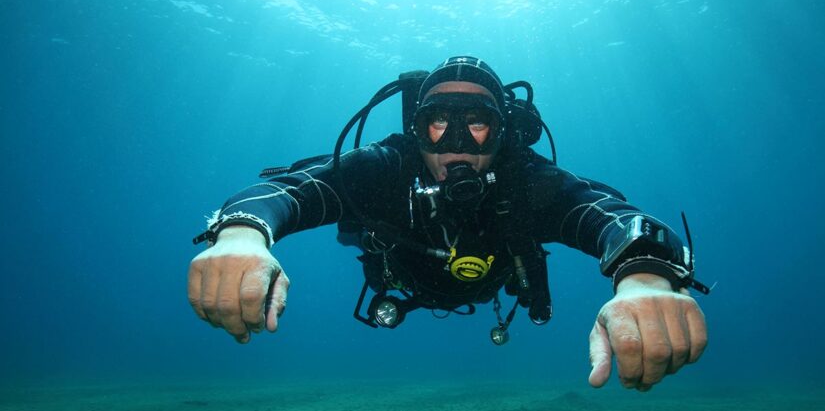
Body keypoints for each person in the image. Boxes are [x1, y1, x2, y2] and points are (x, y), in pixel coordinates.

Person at [188, 56, 709, 392]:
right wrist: (241, 234)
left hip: (490, 283)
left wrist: (644, 275)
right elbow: (288, 190)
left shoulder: (528, 182)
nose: (456, 141)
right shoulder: (385, 168)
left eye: (477, 123)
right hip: (400, 278)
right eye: (438, 121)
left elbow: (613, 216)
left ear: (503, 133)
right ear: (416, 129)